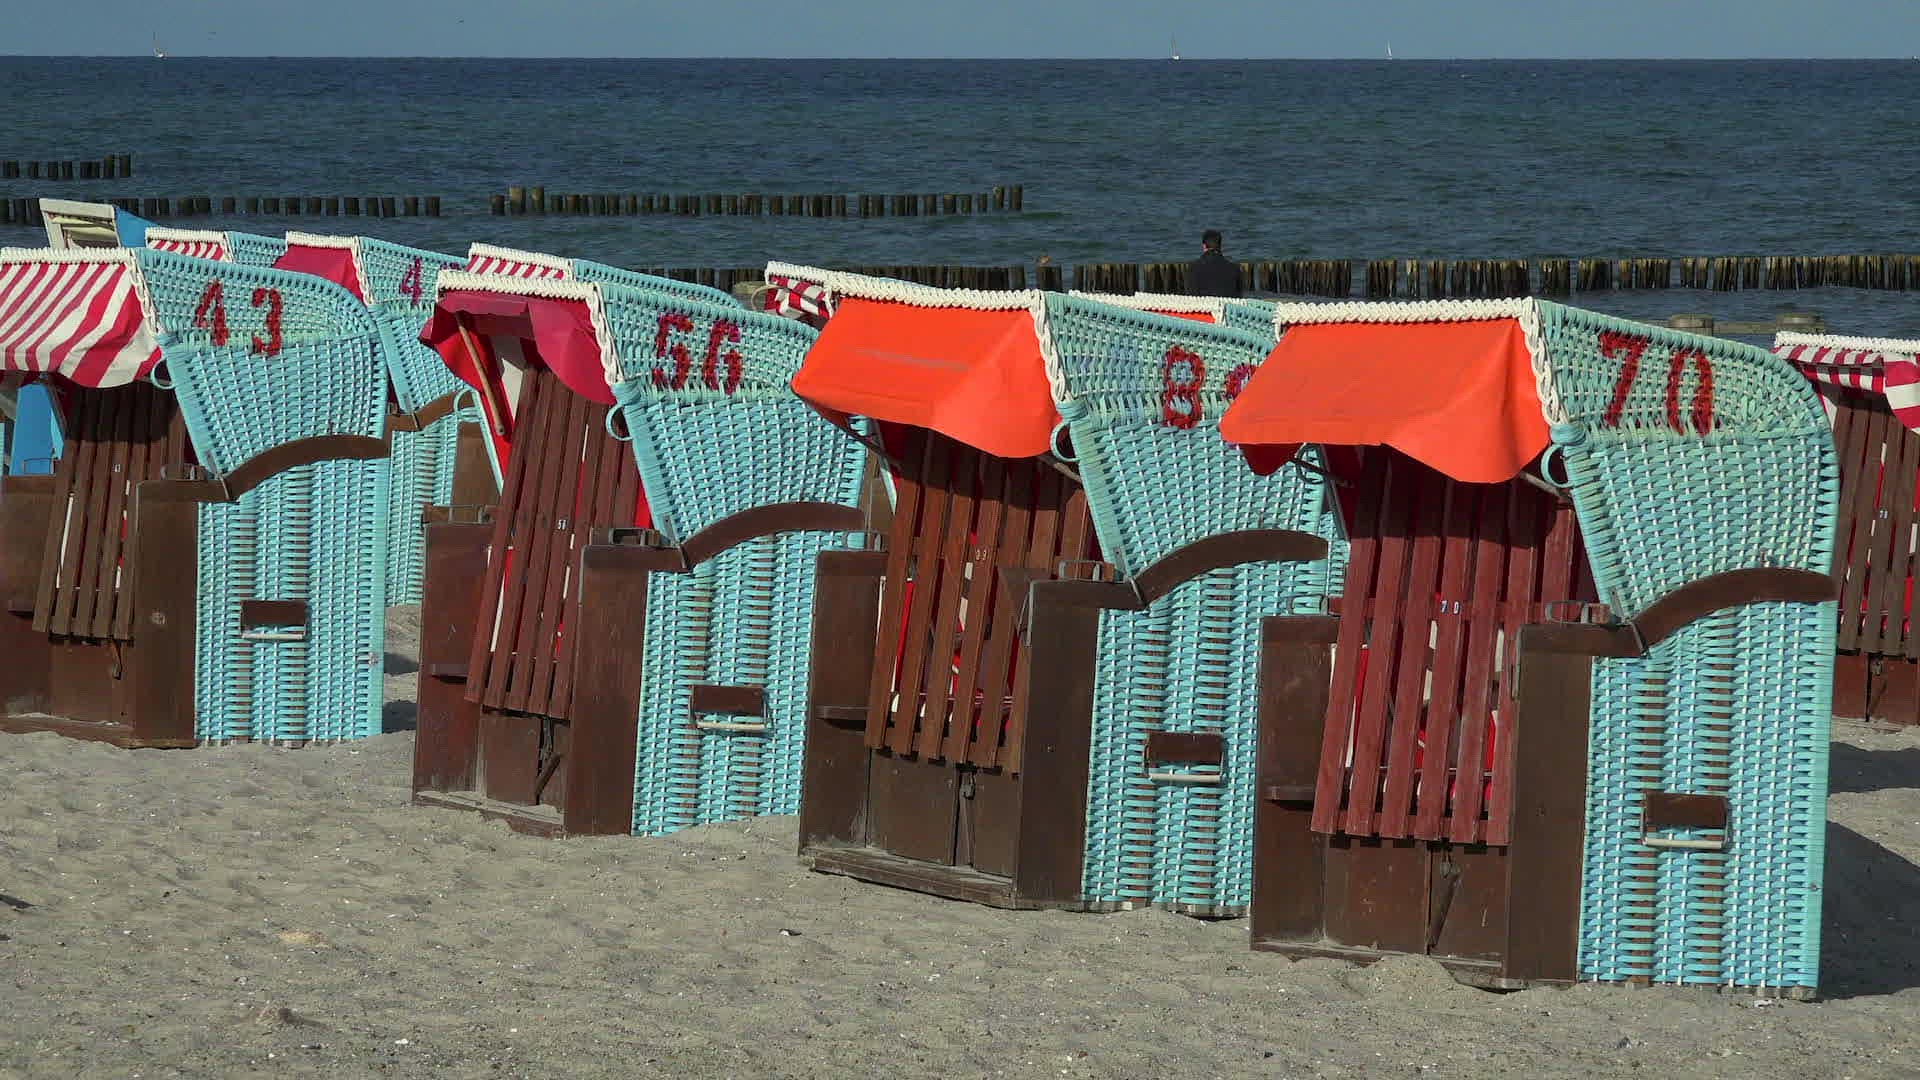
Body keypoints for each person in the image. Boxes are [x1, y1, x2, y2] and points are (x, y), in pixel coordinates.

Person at [1188, 229, 1243, 297]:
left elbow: (1192, 295)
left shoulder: (1194, 267)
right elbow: (1239, 296)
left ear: (1204, 246)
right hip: (1227, 302)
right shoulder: (1235, 268)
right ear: (1220, 245)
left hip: (1204, 303)